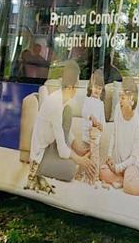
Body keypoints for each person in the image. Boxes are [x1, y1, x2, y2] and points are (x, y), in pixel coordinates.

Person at [26, 60, 96, 190]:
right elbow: (63, 150)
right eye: (77, 83)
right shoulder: (56, 105)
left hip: (50, 146)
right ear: (71, 86)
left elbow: (65, 132)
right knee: (70, 170)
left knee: (68, 112)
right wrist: (80, 160)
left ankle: (66, 160)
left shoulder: (61, 99)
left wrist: (78, 148)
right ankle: (42, 169)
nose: (78, 86)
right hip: (39, 157)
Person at [70, 68, 106, 184]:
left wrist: (101, 125)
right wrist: (91, 117)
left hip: (96, 137)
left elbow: (103, 120)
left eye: (99, 89)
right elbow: (84, 112)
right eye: (95, 87)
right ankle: (79, 173)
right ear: (91, 87)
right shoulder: (88, 100)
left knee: (95, 156)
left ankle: (93, 176)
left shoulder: (101, 104)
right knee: (86, 155)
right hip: (87, 135)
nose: (97, 90)